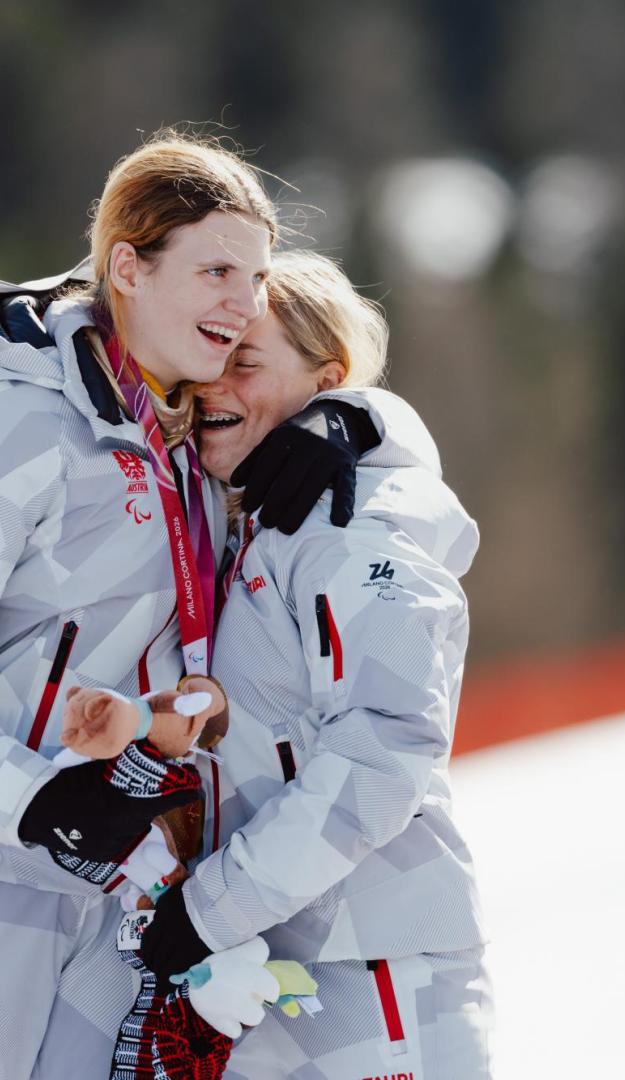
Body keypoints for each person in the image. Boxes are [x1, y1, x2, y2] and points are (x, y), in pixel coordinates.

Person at [0, 134, 403, 1078]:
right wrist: (30, 803)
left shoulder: (184, 434)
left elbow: (412, 490)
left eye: (255, 278)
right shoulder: (28, 420)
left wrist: (355, 418)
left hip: (119, 885)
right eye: (217, 270)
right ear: (127, 269)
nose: (244, 301)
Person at [139, 251, 493, 1078]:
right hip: (274, 968)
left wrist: (214, 909)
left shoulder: (350, 523)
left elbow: (387, 748)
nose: (213, 385)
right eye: (212, 357)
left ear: (327, 382)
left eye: (246, 362)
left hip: (377, 964)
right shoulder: (252, 521)